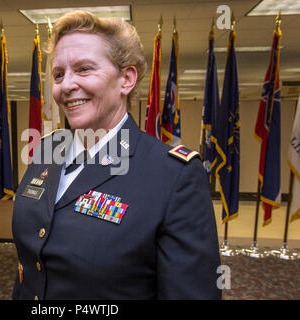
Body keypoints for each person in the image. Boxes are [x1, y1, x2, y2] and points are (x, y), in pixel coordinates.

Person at [12, 11, 222, 300]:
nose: (66, 85)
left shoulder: (173, 173)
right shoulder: (48, 150)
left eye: (84, 69)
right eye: (59, 74)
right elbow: (30, 266)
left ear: (126, 79)